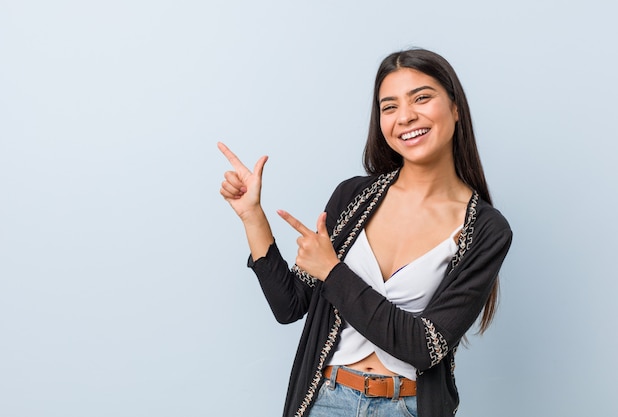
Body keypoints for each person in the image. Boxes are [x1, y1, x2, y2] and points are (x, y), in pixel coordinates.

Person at [218, 48, 512, 417]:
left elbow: (425, 347)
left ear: (455, 108)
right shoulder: (353, 197)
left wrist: (333, 272)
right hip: (326, 400)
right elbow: (289, 304)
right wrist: (252, 216)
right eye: (389, 107)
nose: (405, 116)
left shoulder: (486, 230)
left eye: (421, 98)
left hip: (407, 406)